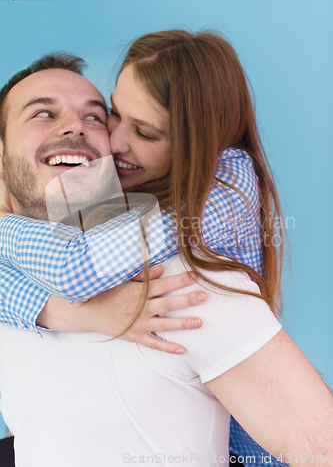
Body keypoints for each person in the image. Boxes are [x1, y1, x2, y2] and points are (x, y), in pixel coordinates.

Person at [0, 31, 332, 466]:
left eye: (96, 116)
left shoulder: (186, 285)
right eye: (43, 113)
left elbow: (320, 444)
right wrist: (67, 311)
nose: (80, 129)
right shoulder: (13, 278)